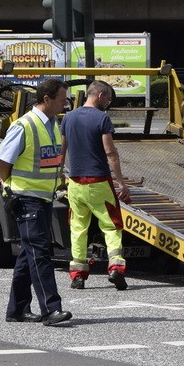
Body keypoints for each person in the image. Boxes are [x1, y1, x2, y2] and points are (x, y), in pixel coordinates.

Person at [0, 77, 73, 326]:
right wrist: (9, 186)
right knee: (40, 253)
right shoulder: (24, 125)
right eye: (62, 100)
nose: (65, 104)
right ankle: (51, 309)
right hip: (26, 198)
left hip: (42, 197)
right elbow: (3, 161)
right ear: (47, 99)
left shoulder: (51, 123)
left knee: (28, 254)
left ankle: (17, 309)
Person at [61, 80, 132, 290]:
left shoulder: (68, 117)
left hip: (74, 182)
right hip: (99, 181)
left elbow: (61, 150)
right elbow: (110, 153)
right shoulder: (102, 118)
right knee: (111, 225)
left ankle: (77, 275)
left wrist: (58, 177)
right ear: (99, 96)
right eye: (108, 98)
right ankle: (116, 268)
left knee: (78, 228)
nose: (109, 102)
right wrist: (121, 182)